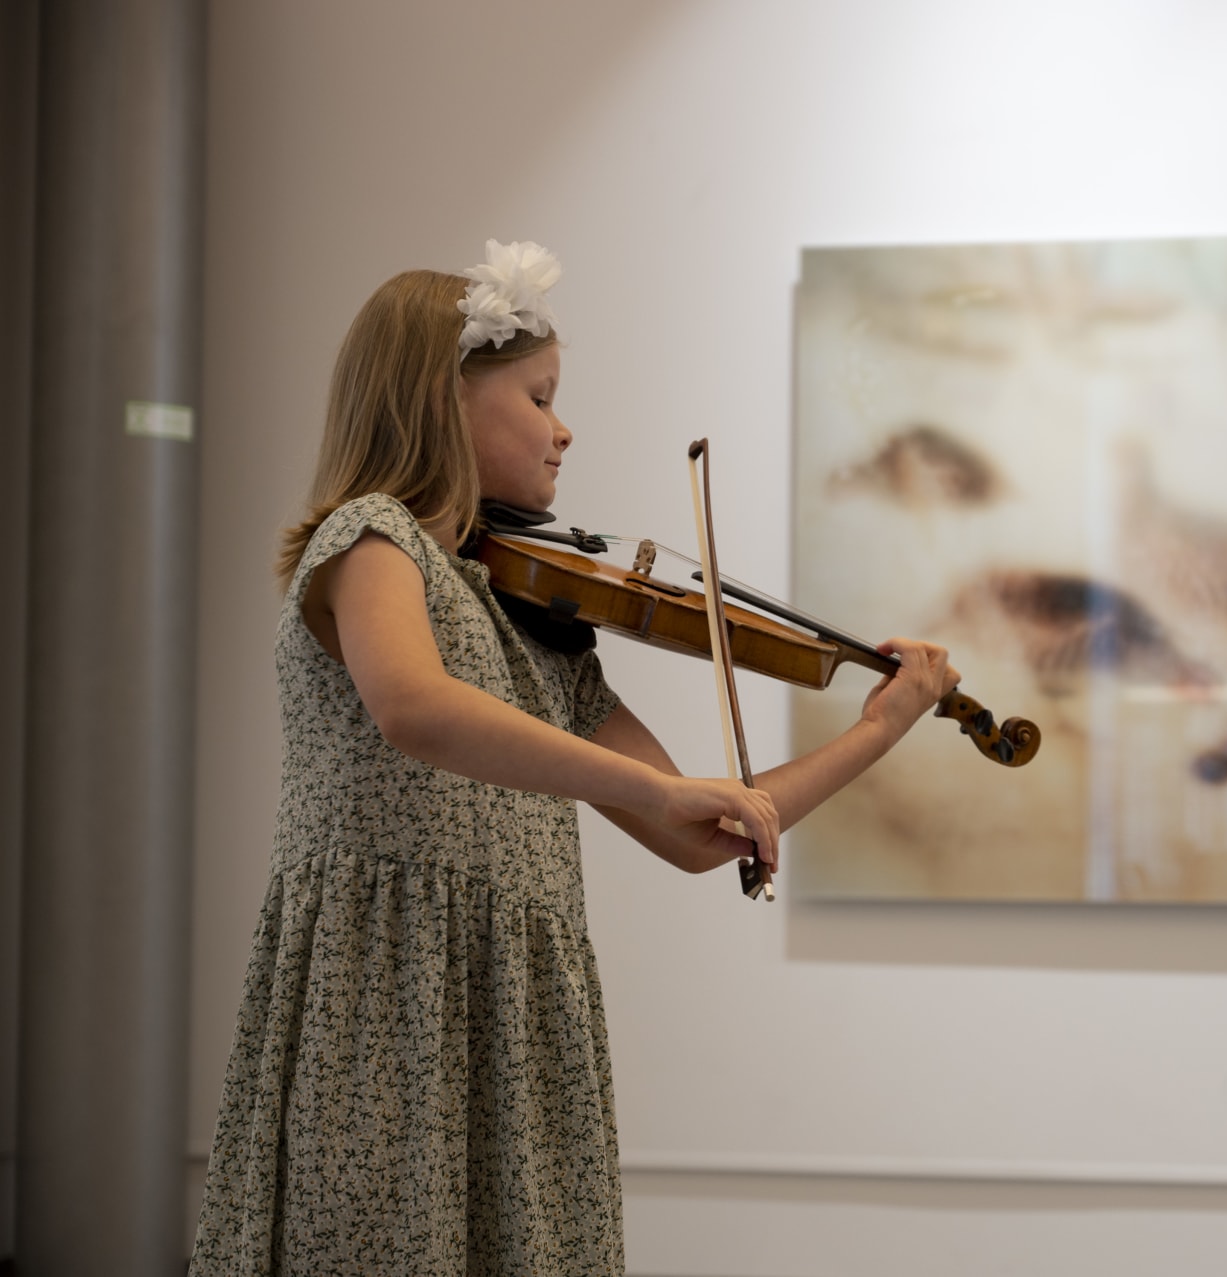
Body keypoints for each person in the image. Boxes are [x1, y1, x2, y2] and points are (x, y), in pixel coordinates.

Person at [189, 241, 957, 1275]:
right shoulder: (373, 540)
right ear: (441, 398)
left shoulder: (535, 623)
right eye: (539, 395)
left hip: (514, 1012)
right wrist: (646, 782)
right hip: (389, 992)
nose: (564, 428)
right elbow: (414, 704)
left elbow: (703, 828)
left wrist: (881, 724)